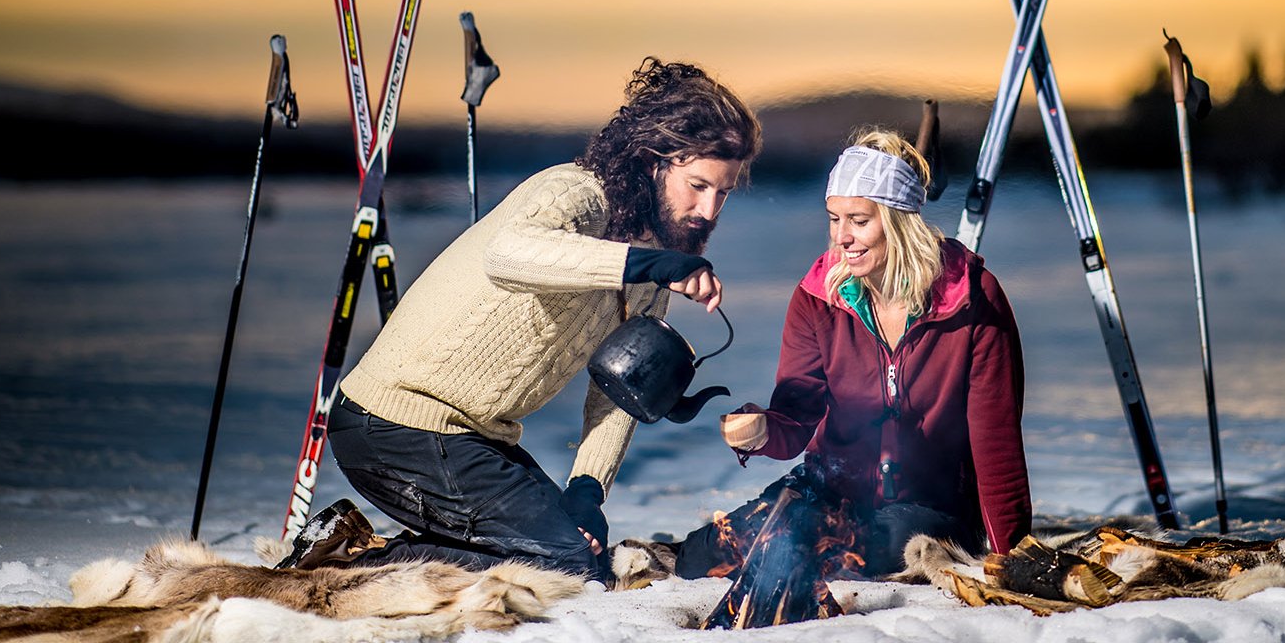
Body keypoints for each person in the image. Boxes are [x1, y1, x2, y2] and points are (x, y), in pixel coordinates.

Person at [292, 57, 761, 581]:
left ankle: (356, 540)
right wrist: (646, 262)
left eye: (723, 192)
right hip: (395, 423)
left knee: (581, 554)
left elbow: (617, 392)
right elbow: (510, 255)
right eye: (698, 185)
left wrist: (587, 490)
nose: (710, 209)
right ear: (653, 161)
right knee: (563, 565)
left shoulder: (652, 271)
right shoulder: (575, 193)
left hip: (477, 437)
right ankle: (348, 567)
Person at [676, 128, 1031, 579]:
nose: (842, 237)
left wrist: (1013, 558)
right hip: (828, 492)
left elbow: (995, 442)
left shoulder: (972, 301)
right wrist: (763, 430)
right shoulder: (818, 297)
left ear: (900, 221)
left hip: (929, 510)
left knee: (863, 539)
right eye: (833, 218)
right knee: (705, 557)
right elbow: (797, 416)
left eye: (859, 221)